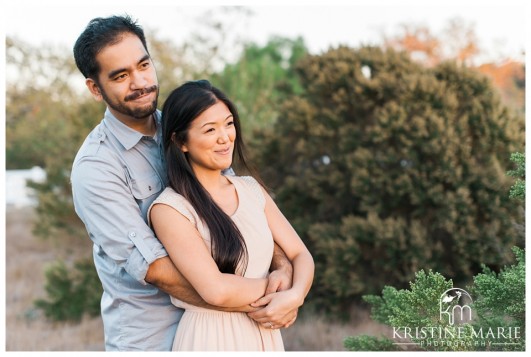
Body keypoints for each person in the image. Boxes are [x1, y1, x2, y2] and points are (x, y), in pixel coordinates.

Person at [70, 15, 295, 351]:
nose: (140, 82)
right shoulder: (96, 169)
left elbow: (242, 210)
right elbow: (157, 271)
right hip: (154, 338)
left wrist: (284, 271)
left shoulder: (190, 128)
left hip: (228, 329)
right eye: (120, 75)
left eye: (143, 65)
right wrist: (266, 298)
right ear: (94, 87)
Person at [148, 79, 314, 351]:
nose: (225, 137)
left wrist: (295, 296)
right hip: (212, 337)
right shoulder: (170, 209)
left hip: (266, 334)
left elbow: (300, 254)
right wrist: (278, 291)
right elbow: (216, 290)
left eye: (228, 123)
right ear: (180, 141)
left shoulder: (251, 188)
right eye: (210, 129)